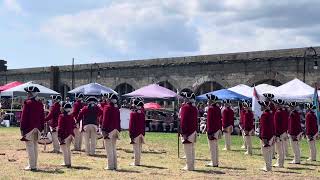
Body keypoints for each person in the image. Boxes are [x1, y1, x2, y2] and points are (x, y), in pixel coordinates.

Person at [20, 86, 45, 171]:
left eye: (28, 93)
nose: (27, 94)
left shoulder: (27, 103)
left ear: (31, 93)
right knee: (35, 147)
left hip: (29, 128)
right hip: (38, 128)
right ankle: (33, 164)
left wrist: (22, 129)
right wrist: (41, 128)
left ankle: (32, 166)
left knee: (30, 147)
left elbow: (23, 118)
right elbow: (42, 117)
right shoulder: (40, 103)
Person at [179, 89, 198, 171]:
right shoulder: (194, 108)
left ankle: (189, 166)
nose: (184, 99)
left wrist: (183, 132)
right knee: (192, 149)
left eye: (185, 98)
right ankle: (191, 166)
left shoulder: (185, 107)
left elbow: (183, 121)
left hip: (187, 131)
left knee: (187, 150)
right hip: (193, 130)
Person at [102, 93, 121, 170]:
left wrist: (104, 130)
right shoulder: (117, 109)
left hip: (109, 130)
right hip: (116, 129)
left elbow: (105, 119)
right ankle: (115, 165)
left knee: (109, 149)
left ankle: (110, 166)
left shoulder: (107, 107)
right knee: (113, 148)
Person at [205, 94, 222, 167]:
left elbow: (209, 121)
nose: (207, 101)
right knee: (215, 147)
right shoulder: (218, 108)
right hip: (217, 129)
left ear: (211, 101)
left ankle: (213, 162)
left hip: (212, 130)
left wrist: (209, 131)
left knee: (212, 148)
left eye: (208, 100)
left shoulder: (210, 108)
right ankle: (215, 162)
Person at [57, 102, 75, 168]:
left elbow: (60, 127)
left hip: (64, 135)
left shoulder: (61, 116)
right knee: (68, 149)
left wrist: (59, 136)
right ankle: (68, 162)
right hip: (70, 134)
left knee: (64, 150)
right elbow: (73, 125)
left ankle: (66, 163)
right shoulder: (71, 116)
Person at [259, 101, 275, 172]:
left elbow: (264, 127)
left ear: (265, 106)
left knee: (265, 152)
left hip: (266, 136)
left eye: (262, 105)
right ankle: (268, 166)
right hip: (270, 135)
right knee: (269, 152)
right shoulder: (270, 114)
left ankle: (268, 167)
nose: (260, 107)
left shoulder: (264, 115)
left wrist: (264, 137)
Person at [129, 99, 146, 166]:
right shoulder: (142, 114)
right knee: (139, 148)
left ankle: (136, 162)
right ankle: (138, 161)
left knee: (136, 149)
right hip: (141, 133)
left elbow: (131, 125)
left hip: (135, 133)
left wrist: (131, 135)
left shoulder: (133, 114)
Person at [273, 99, 287, 168]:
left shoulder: (277, 112)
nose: (275, 105)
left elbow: (276, 125)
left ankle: (279, 163)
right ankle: (280, 163)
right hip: (283, 132)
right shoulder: (284, 112)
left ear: (278, 105)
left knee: (279, 149)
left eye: (276, 104)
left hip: (279, 133)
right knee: (282, 148)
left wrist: (276, 134)